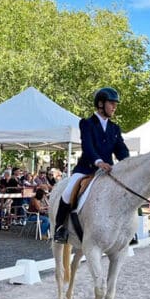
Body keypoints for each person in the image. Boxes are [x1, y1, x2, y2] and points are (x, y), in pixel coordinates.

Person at [54, 87, 130, 242]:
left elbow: (121, 149)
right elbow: (87, 147)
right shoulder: (87, 123)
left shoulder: (114, 128)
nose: (114, 107)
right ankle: (60, 228)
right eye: (111, 103)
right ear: (101, 104)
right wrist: (99, 162)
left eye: (115, 104)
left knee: (127, 191)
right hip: (86, 168)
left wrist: (129, 163)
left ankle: (128, 230)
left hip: (108, 170)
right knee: (68, 192)